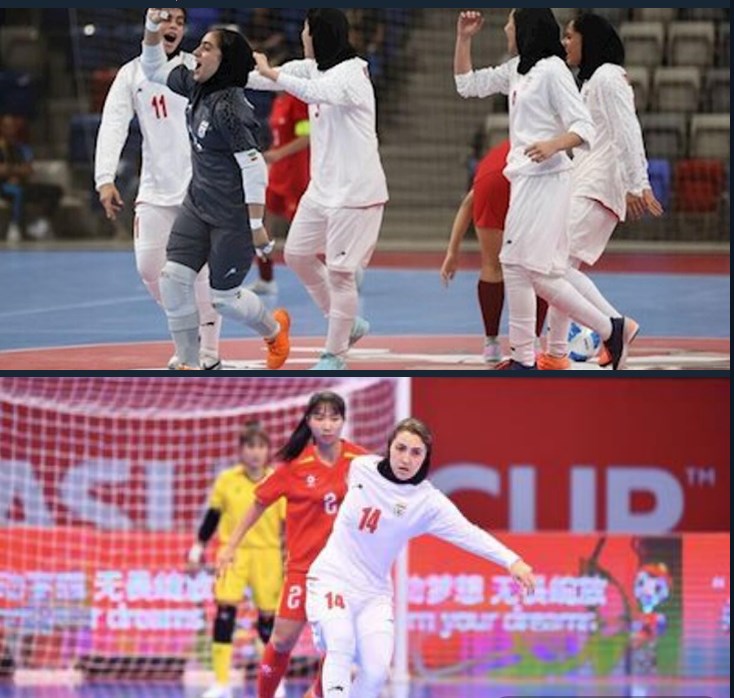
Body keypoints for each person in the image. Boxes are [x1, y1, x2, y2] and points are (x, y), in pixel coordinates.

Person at [455, 9, 637, 370]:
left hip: (549, 180)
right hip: (524, 179)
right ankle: (524, 357)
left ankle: (607, 328)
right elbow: (466, 85)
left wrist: (554, 144)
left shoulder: (553, 70)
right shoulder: (517, 68)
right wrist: (463, 38)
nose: (506, 28)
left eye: (511, 23)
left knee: (534, 270)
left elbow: (583, 127)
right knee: (516, 265)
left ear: (526, 28)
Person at [306, 418, 536, 698]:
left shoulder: (427, 503)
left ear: (426, 457)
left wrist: (512, 560)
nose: (406, 459)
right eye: (401, 448)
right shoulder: (359, 467)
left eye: (416, 453)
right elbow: (323, 458)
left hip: (374, 593)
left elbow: (468, 533)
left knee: (377, 673)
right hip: (333, 578)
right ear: (389, 447)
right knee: (340, 642)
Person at [140, 9, 291, 370]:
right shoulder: (196, 84)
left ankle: (274, 331)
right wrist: (151, 27)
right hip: (197, 204)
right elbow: (153, 69)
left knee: (223, 299)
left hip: (232, 218)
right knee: (173, 279)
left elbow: (253, 167)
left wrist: (256, 225)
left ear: (224, 61)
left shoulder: (230, 109)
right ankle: (189, 362)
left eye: (207, 48)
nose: (196, 52)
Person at [250, 9, 387, 370]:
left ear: (320, 35)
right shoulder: (313, 67)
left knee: (341, 274)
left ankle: (335, 354)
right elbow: (269, 80)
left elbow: (315, 92)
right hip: (321, 190)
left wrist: (273, 72)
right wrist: (224, 74)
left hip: (354, 194)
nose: (302, 36)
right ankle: (348, 324)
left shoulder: (352, 73)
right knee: (297, 254)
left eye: (306, 30)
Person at [95, 8, 223, 370]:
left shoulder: (195, 68)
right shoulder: (131, 73)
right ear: (152, 22)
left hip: (198, 189)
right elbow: (113, 124)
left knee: (201, 273)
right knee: (151, 269)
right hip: (154, 189)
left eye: (180, 22)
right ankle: (188, 332)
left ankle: (208, 352)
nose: (174, 27)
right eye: (168, 19)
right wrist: (105, 179)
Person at [216, 392, 367, 698]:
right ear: (308, 421)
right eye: (320, 417)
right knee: (282, 639)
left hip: (344, 572)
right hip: (303, 570)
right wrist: (230, 546)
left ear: (343, 421)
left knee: (338, 643)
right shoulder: (293, 466)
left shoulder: (361, 462)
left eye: (334, 418)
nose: (327, 425)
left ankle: (315, 694)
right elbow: (258, 503)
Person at [539, 12, 663, 370]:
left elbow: (628, 130)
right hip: (585, 181)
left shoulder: (609, 77)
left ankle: (612, 326)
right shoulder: (593, 80)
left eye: (570, 36)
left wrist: (637, 184)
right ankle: (558, 352)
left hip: (598, 185)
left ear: (588, 39)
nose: (565, 43)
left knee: (554, 267)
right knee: (560, 267)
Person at [187, 422, 286, 698]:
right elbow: (213, 516)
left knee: (268, 622)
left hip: (267, 555)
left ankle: (274, 682)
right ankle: (221, 683)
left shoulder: (278, 480)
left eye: (261, 446)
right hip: (232, 554)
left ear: (267, 450)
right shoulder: (227, 480)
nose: (255, 452)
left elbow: (290, 524)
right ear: (241, 450)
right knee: (224, 615)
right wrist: (198, 547)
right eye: (250, 446)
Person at [440, 138, 549, 366]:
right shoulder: (552, 146)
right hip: (526, 180)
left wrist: (452, 252)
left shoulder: (504, 151)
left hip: (490, 183)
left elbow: (468, 204)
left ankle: (491, 343)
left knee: (492, 265)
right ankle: (532, 341)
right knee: (537, 266)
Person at [248, 89, 311, 296]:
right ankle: (266, 278)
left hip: (296, 173)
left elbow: (306, 137)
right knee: (265, 225)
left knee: (308, 229)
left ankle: (346, 266)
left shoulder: (297, 101)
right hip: (277, 174)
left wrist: (279, 154)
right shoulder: (278, 101)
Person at [1, 114, 63, 242]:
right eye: (7, 126)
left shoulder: (21, 147)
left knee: (55, 190)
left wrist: (12, 171)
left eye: (13, 126)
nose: (11, 130)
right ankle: (15, 225)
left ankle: (42, 224)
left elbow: (28, 169)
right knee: (18, 192)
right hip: (3, 186)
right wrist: (15, 171)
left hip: (21, 183)